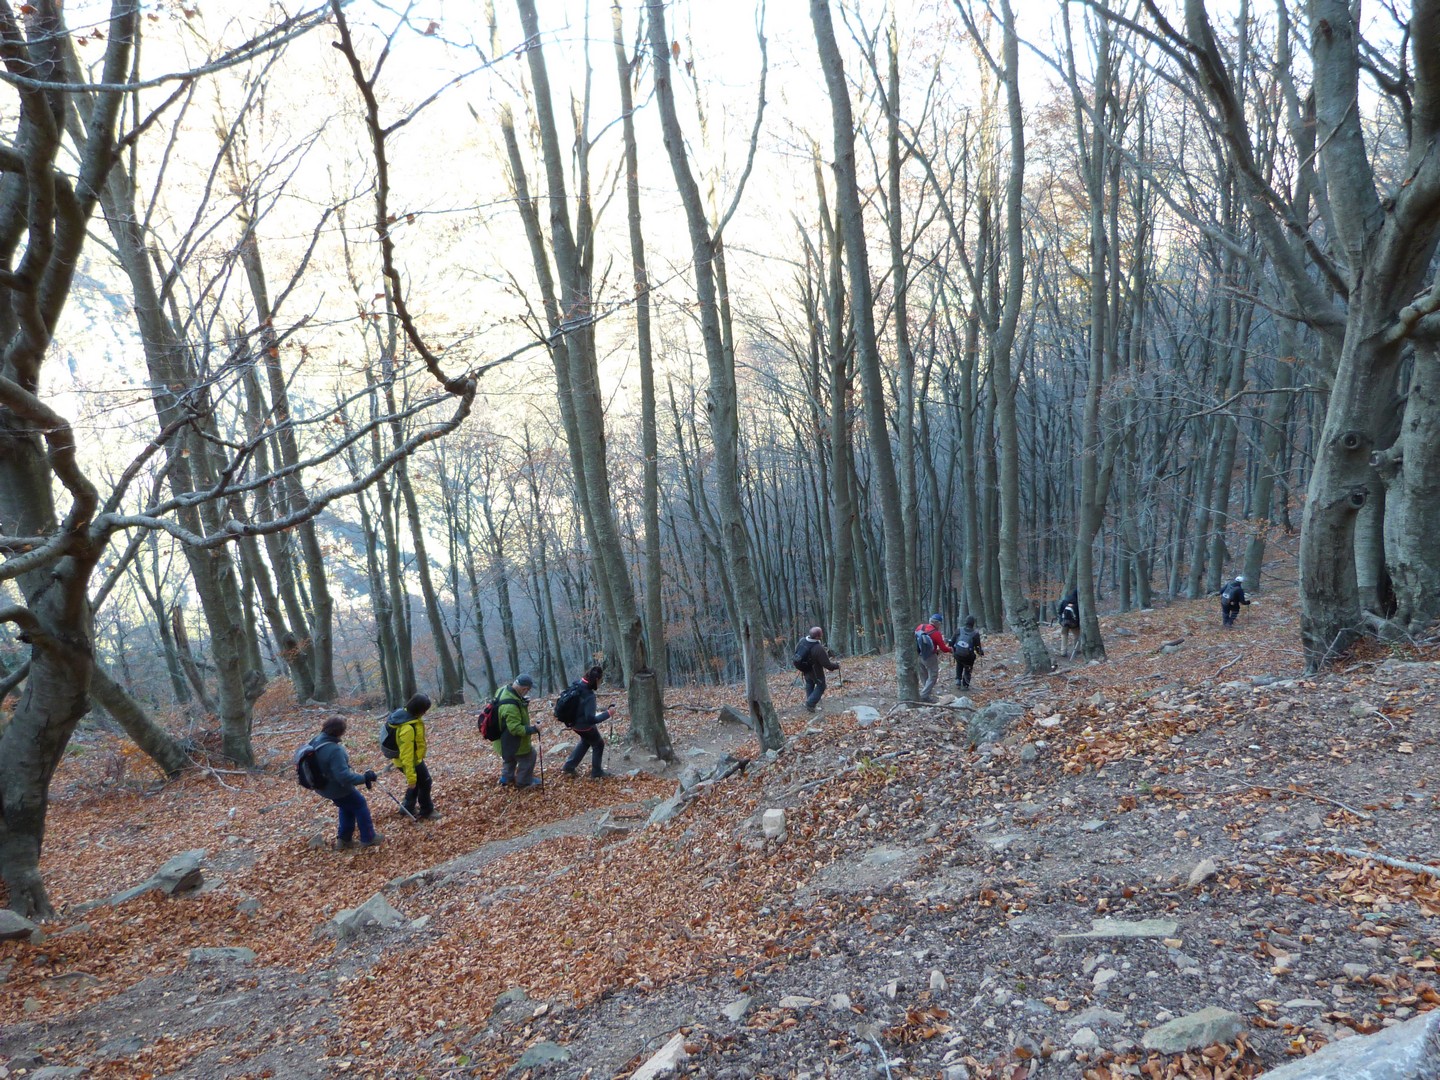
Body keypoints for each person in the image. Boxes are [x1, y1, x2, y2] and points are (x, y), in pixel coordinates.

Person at [309, 716, 382, 850]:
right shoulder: (334, 750)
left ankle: (344, 840)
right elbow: (344, 777)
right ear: (340, 732)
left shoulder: (316, 740)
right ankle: (369, 838)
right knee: (359, 804)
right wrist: (364, 778)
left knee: (346, 806)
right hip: (336, 788)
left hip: (322, 787)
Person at [387, 692, 436, 819]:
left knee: (417, 782)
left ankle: (407, 807)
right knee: (425, 782)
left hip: (407, 759)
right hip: (409, 761)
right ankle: (427, 811)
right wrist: (411, 778)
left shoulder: (404, 714)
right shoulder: (407, 728)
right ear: (419, 710)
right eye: (424, 710)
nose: (425, 713)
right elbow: (406, 756)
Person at [561, 665, 614, 779]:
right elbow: (591, 719)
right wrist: (608, 713)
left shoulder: (578, 684)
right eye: (600, 681)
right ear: (596, 679)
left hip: (573, 723)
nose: (600, 683)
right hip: (584, 726)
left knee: (586, 741)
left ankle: (569, 766)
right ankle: (596, 772)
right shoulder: (589, 695)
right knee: (598, 744)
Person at [496, 674, 541, 788]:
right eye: (527, 690)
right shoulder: (510, 706)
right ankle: (523, 782)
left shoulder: (503, 690)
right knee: (529, 755)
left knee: (509, 758)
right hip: (513, 741)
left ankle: (506, 779)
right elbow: (515, 729)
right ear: (524, 689)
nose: (527, 692)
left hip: (501, 739)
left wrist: (522, 702)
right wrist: (534, 729)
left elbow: (507, 711)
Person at [793, 626, 840, 713]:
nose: (822, 634)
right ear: (817, 636)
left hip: (805, 669)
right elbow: (827, 664)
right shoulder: (818, 648)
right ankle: (810, 703)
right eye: (821, 633)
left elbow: (796, 652)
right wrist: (836, 666)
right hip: (815, 671)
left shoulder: (802, 640)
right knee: (821, 686)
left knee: (809, 684)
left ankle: (810, 705)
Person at [914, 614, 951, 702]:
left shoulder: (920, 627)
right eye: (940, 624)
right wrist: (951, 649)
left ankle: (926, 693)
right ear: (937, 623)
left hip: (918, 655)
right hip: (930, 656)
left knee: (923, 674)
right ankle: (924, 695)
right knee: (933, 676)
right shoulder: (936, 633)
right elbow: (943, 649)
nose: (940, 626)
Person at [949, 616, 984, 690]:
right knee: (968, 666)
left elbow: (951, 642)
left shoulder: (959, 630)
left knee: (959, 663)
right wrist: (980, 653)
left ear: (966, 622)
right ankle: (965, 684)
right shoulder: (975, 633)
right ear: (973, 623)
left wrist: (953, 649)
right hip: (969, 656)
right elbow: (977, 647)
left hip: (958, 654)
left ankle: (958, 680)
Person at [1058, 588, 1080, 657]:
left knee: (1064, 635)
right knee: (1077, 635)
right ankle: (1076, 650)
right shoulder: (1078, 602)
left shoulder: (1065, 600)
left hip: (1064, 622)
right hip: (1074, 623)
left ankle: (1063, 652)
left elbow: (1060, 611)